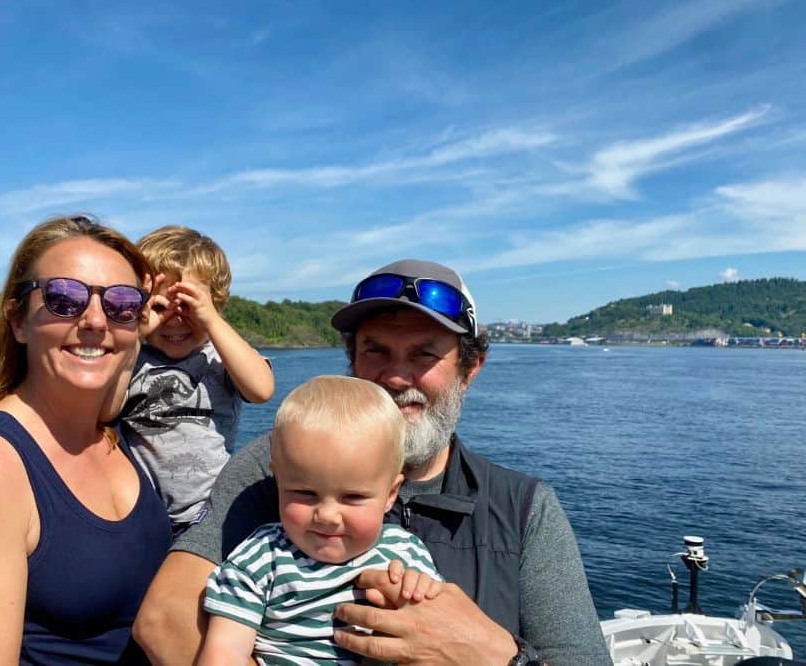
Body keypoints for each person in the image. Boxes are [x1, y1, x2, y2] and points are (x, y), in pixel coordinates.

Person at [134, 259, 612, 666]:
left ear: (471, 368)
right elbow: (164, 618)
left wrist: (499, 657)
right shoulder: (274, 467)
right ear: (352, 361)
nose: (397, 376)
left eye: (424, 354)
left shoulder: (523, 509)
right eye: (375, 351)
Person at [0, 215, 172, 664]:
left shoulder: (108, 432)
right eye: (64, 298)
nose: (95, 319)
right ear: (18, 321)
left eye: (121, 303)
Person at [199, 375, 442, 665]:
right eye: (305, 493)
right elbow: (224, 652)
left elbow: (433, 635)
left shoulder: (406, 555)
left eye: (352, 497)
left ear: (390, 494)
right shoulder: (262, 558)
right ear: (278, 481)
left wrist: (422, 592)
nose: (327, 516)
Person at [107, 225, 274, 536]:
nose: (174, 318)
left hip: (212, 511)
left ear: (215, 303)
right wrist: (134, 336)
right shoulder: (131, 357)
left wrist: (210, 319)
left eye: (189, 305)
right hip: (144, 515)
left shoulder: (223, 354)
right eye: (159, 306)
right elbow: (105, 410)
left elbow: (262, 389)